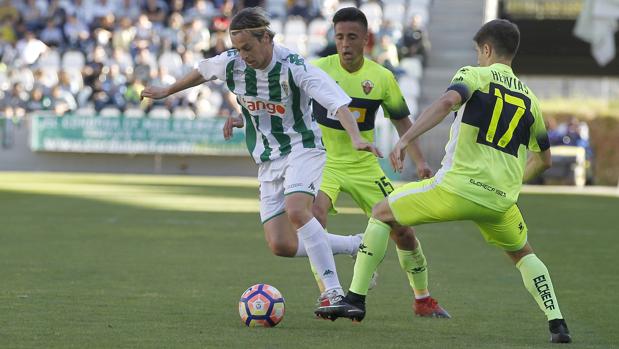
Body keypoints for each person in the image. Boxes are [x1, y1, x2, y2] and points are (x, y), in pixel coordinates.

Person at [315, 19, 572, 344]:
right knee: (523, 254)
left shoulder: (473, 75)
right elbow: (544, 159)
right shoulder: (532, 100)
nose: (478, 57)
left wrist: (404, 139)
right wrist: (512, 184)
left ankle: (355, 299)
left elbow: (448, 102)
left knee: (381, 212)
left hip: (457, 187)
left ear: (487, 49)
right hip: (501, 200)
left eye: (480, 51)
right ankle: (558, 323)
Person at [140, 7, 381, 307]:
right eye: (238, 49)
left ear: (266, 37)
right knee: (281, 244)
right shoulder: (232, 64)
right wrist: (167, 91)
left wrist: (356, 137)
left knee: (297, 210)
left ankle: (332, 293)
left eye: (248, 48)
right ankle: (355, 244)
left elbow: (336, 103)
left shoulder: (294, 66)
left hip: (302, 147)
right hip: (268, 158)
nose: (242, 56)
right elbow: (202, 72)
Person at [310, 7, 449, 317]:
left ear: (366, 39)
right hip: (324, 163)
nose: (345, 44)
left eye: (352, 37)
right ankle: (329, 293)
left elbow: (402, 121)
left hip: (364, 165)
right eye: (340, 37)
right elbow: (284, 100)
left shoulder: (382, 77)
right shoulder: (317, 70)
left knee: (403, 231)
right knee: (313, 218)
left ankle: (423, 299)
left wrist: (421, 162)